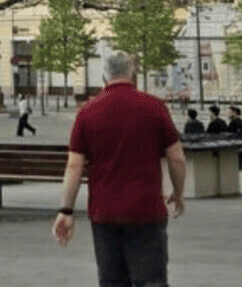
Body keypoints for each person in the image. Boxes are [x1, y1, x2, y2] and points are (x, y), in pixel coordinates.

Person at [52, 51, 186, 287]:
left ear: (104, 76)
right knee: (152, 280)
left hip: (105, 212)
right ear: (133, 73)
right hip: (146, 209)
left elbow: (74, 165)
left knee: (112, 281)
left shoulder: (87, 112)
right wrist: (178, 191)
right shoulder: (155, 107)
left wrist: (66, 210)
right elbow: (176, 157)